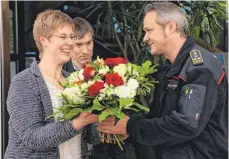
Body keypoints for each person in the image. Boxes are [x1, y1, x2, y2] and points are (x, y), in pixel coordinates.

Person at [98, 2, 228, 159]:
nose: (145, 38)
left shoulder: (199, 67)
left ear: (170, 27)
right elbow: (160, 119)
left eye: (149, 30)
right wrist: (128, 129)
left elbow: (186, 125)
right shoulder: (170, 68)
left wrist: (130, 126)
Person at [4, 10, 98, 159]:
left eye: (72, 37)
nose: (70, 42)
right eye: (63, 37)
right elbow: (33, 138)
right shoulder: (23, 82)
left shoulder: (75, 82)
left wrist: (105, 111)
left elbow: (92, 138)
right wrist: (79, 122)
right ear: (44, 40)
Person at [64, 17, 129, 159]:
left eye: (89, 43)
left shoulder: (105, 70)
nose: (85, 51)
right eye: (79, 45)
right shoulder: (61, 75)